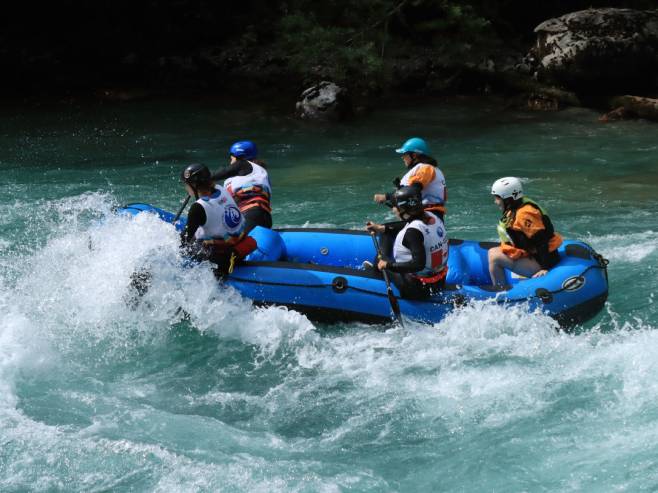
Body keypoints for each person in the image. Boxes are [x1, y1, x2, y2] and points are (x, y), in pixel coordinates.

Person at [366, 186, 449, 299]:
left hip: (418, 289)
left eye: (394, 206)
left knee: (380, 258)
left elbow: (418, 265)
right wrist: (381, 227)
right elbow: (408, 224)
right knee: (387, 231)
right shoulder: (432, 216)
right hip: (439, 282)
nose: (393, 209)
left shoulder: (412, 233)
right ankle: (379, 265)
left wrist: (388, 265)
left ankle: (375, 272)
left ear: (403, 209)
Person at [180, 163, 256, 276]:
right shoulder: (221, 189)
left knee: (183, 248)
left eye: (186, 184)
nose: (186, 188)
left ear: (194, 185)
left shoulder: (198, 207)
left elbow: (184, 241)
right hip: (241, 248)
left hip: (223, 259)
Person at [487, 177, 563, 286]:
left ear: (508, 199)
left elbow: (541, 242)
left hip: (544, 261)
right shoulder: (516, 207)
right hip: (534, 255)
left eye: (497, 198)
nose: (495, 202)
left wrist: (545, 268)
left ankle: (500, 293)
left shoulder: (524, 215)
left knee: (495, 258)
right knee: (492, 252)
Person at [373, 137, 447, 220]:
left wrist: (386, 197)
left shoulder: (425, 168)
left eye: (404, 154)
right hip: (429, 215)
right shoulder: (430, 169)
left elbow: (411, 192)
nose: (402, 157)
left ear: (414, 155)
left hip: (426, 217)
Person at [212, 140, 272, 233]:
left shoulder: (243, 164)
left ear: (238, 158)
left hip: (251, 216)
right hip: (262, 217)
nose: (231, 161)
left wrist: (200, 178)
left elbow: (217, 174)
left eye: (231, 158)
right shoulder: (259, 173)